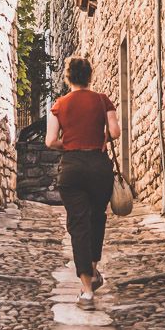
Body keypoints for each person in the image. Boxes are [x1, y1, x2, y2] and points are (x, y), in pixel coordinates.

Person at [46, 55, 120, 305]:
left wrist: (70, 142)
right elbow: (115, 132)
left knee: (78, 226)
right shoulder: (102, 100)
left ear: (68, 78)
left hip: (72, 168)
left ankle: (87, 290)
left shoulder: (59, 105)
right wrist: (97, 139)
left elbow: (50, 141)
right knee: (97, 218)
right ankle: (93, 267)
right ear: (90, 76)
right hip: (99, 167)